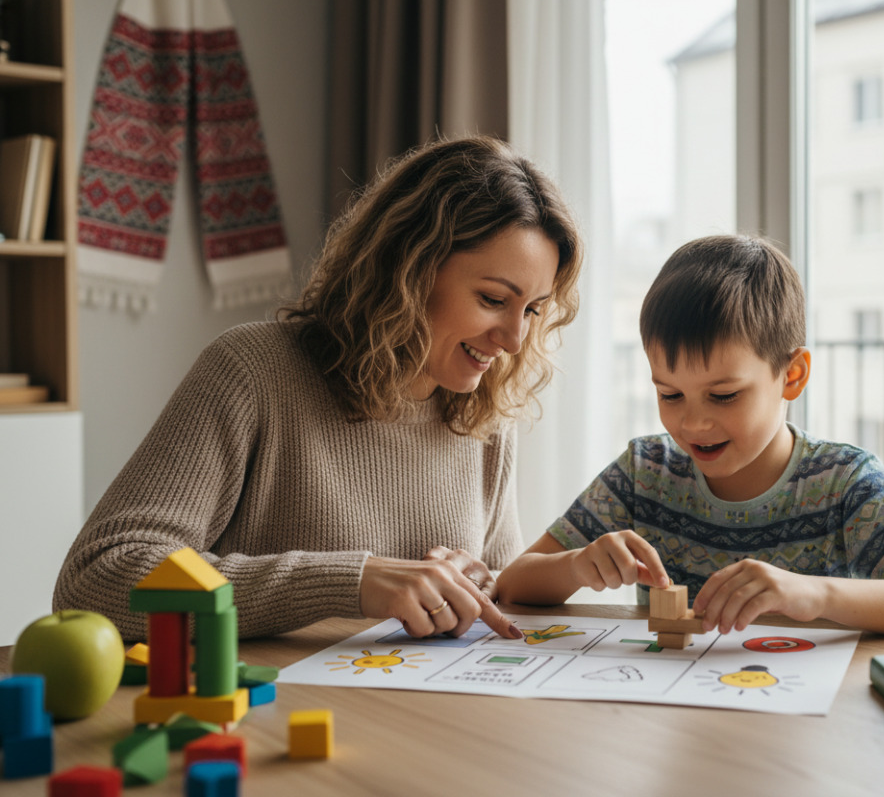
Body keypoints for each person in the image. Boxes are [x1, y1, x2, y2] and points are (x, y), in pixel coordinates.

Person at [54, 135, 583, 641]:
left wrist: (474, 585)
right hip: (264, 716)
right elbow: (95, 579)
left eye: (533, 310)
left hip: (414, 721)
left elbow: (497, 603)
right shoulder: (251, 373)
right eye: (493, 299)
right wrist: (348, 581)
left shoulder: (484, 418)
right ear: (409, 268)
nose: (515, 340)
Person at [495, 234, 884, 635]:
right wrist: (577, 566)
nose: (693, 424)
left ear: (791, 376)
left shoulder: (844, 482)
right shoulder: (645, 473)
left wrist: (812, 593)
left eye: (724, 396)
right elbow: (513, 584)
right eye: (670, 395)